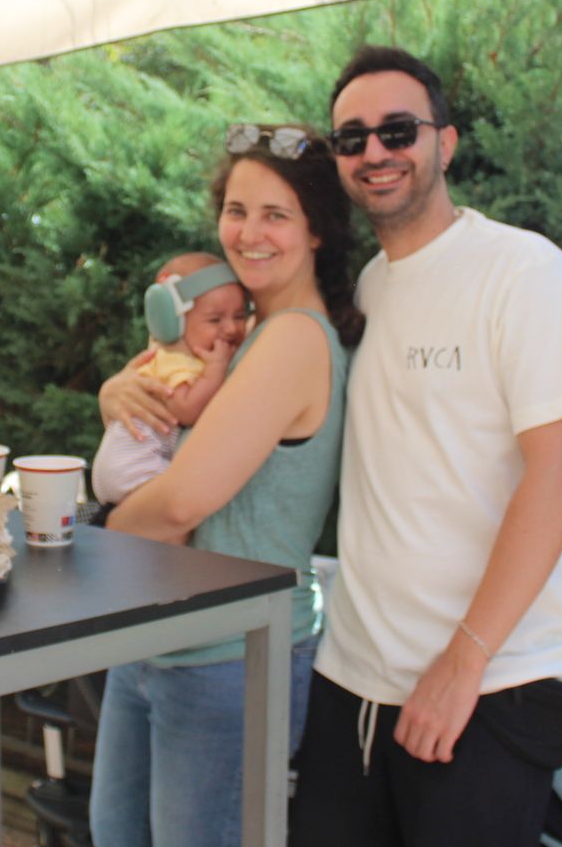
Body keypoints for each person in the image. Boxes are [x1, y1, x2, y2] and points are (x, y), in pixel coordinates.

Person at [290, 46, 562, 846]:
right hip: (354, 677)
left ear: (446, 142)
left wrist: (463, 663)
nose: (375, 153)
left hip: (487, 683)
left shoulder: (522, 271)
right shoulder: (368, 286)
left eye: (398, 130)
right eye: (351, 138)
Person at [89, 123, 364, 847]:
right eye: (237, 210)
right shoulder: (238, 331)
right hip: (158, 637)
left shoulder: (294, 339)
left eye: (276, 214)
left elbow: (183, 500)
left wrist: (92, 534)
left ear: (318, 232)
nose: (249, 233)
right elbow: (156, 396)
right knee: (115, 831)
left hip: (230, 659)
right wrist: (117, 390)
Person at [90, 250, 248, 504]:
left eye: (240, 316)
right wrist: (216, 371)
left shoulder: (190, 359)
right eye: (215, 319)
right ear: (175, 322)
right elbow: (186, 409)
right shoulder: (173, 362)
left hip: (130, 466)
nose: (231, 328)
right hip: (136, 469)